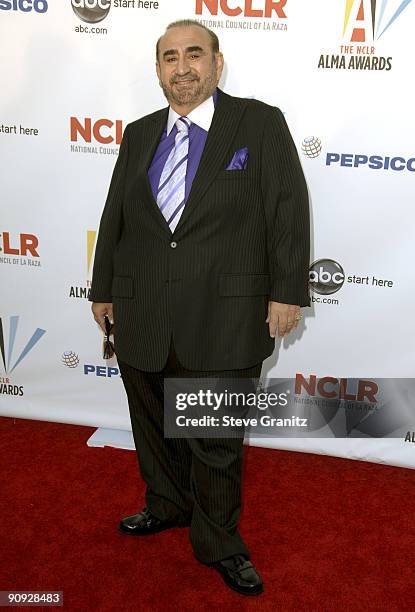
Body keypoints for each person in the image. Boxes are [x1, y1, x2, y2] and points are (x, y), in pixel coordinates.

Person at [89, 19, 310, 596]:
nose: (181, 67)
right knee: (154, 426)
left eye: (194, 54)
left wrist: (286, 291)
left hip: (224, 313)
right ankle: (166, 504)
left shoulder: (258, 123)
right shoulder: (139, 133)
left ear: (217, 62)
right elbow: (116, 213)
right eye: (169, 58)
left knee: (213, 439)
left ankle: (219, 543)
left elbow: (287, 209)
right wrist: (102, 288)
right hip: (141, 308)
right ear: (157, 69)